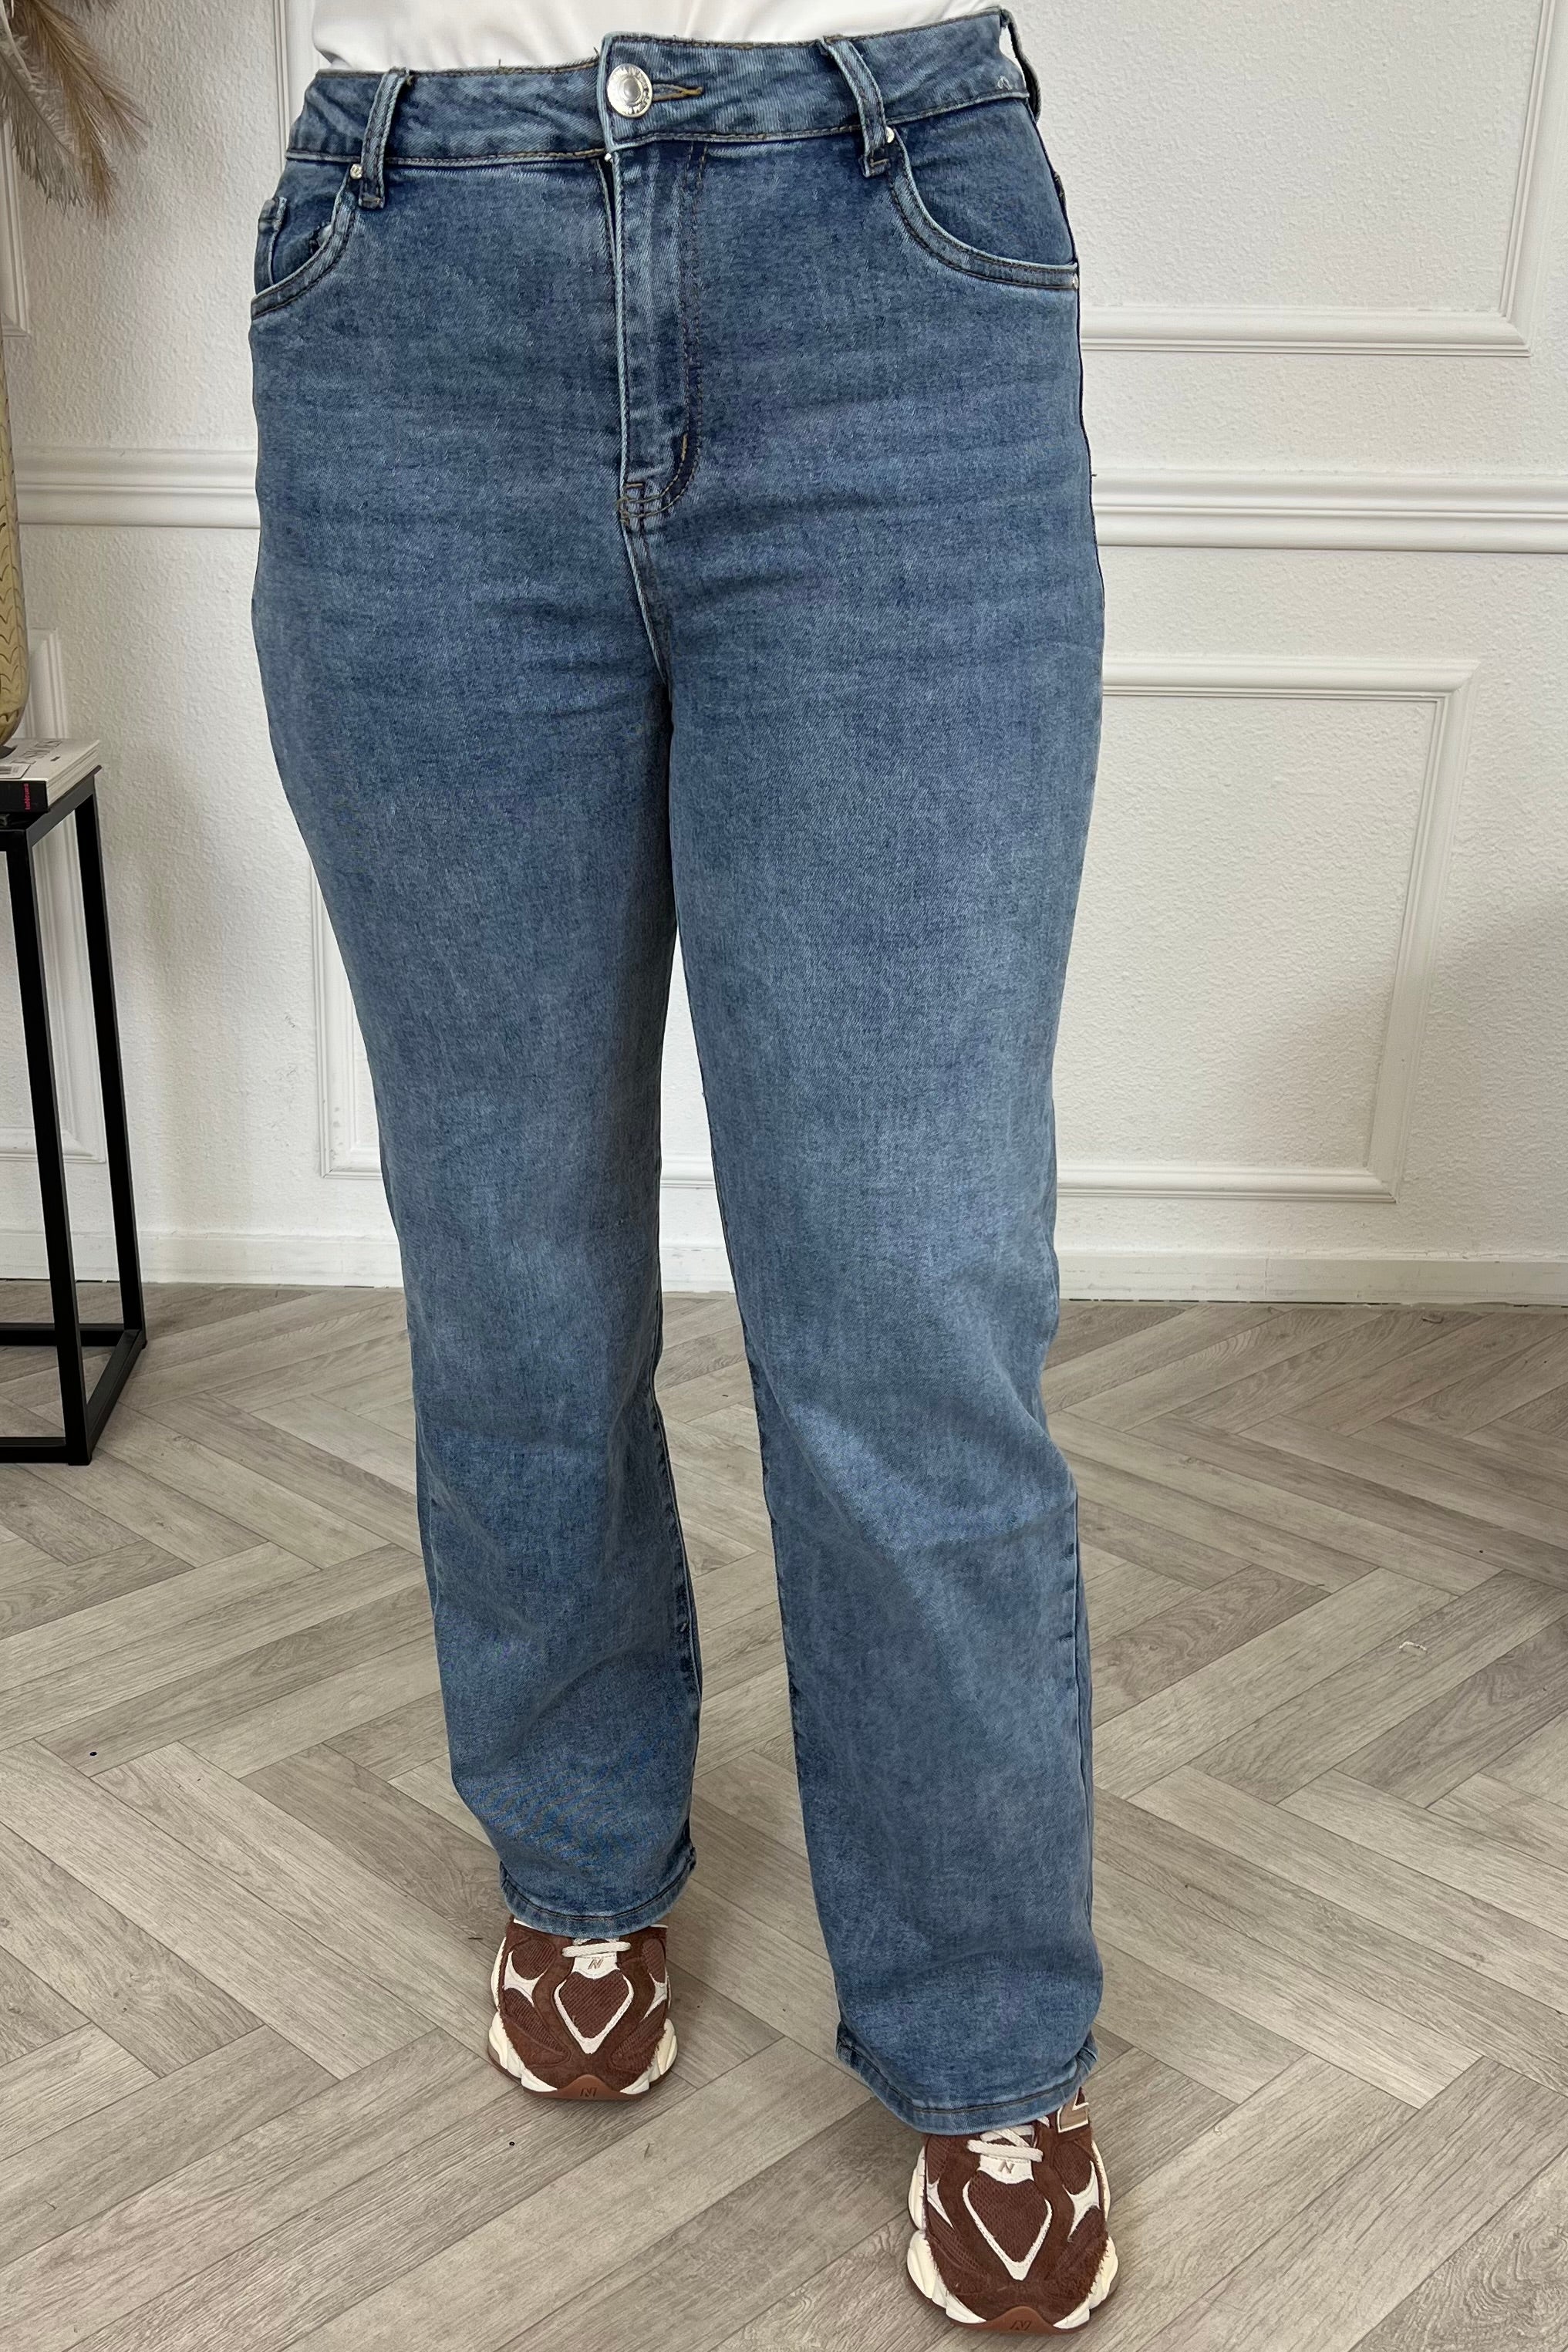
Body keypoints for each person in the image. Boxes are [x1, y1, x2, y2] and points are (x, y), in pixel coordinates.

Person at [250, 0, 1111, 2328]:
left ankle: (985, 2028)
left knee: (909, 1284)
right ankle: (578, 1850)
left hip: (890, 243)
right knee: (509, 1249)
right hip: (406, 263)